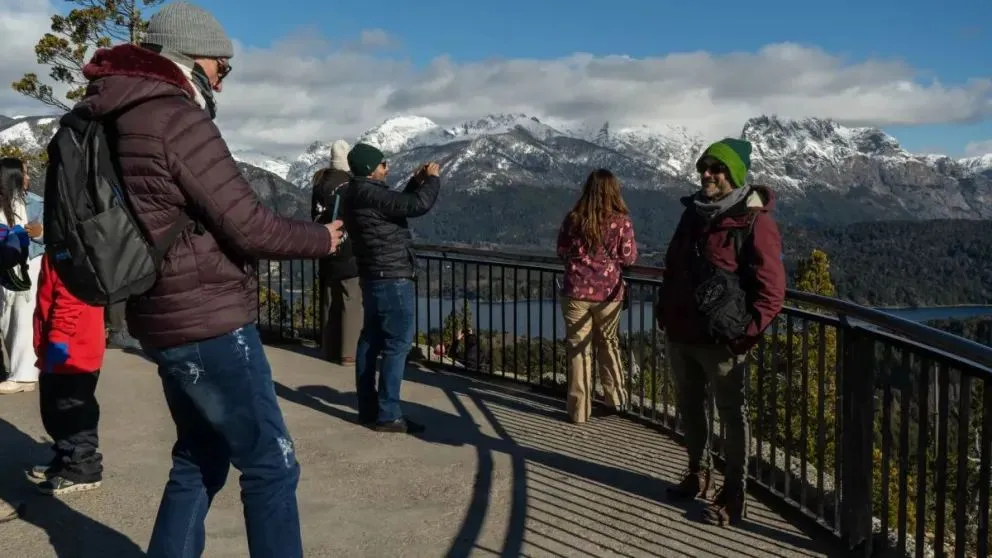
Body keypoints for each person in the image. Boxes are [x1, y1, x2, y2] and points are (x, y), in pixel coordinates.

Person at [71, 2, 343, 556]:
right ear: (193, 58)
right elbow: (250, 226)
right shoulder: (174, 116)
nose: (224, 79)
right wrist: (324, 239)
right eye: (224, 66)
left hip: (161, 314)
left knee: (199, 458)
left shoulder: (112, 112)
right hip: (209, 320)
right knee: (271, 465)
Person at [656, 138, 785, 526]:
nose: (707, 174)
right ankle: (698, 472)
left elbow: (772, 288)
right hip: (682, 334)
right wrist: (665, 312)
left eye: (717, 168)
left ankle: (734, 493)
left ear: (735, 174)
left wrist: (746, 334)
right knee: (690, 409)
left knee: (732, 417)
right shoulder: (692, 214)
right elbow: (673, 265)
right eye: (704, 167)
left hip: (724, 341)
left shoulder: (754, 222)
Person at [342, 144, 440, 433]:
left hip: (373, 276)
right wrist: (432, 179)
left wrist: (416, 182)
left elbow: (397, 202)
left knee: (370, 341)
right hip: (392, 277)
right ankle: (388, 414)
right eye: (383, 163)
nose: (387, 168)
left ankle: (369, 408)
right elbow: (416, 206)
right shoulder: (370, 192)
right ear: (371, 169)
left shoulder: (355, 193)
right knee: (397, 345)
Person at [556, 168, 637, 424]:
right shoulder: (621, 222)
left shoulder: (574, 219)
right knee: (609, 344)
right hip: (609, 294)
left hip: (575, 292)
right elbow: (629, 257)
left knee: (578, 350)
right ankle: (616, 400)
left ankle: (579, 410)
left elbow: (561, 250)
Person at [29, 252, 106, 495]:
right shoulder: (59, 246)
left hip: (72, 348)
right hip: (60, 346)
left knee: (72, 408)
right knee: (54, 407)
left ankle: (82, 465)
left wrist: (59, 340)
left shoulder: (70, 249)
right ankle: (66, 456)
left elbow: (71, 298)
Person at [312, 140, 362, 365]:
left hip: (324, 245)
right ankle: (349, 353)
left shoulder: (319, 182)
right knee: (351, 299)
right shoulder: (350, 184)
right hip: (349, 248)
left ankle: (329, 348)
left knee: (329, 300)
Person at [0, 157, 43, 395]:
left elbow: (52, 234)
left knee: (24, 317)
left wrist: (39, 233)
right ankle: (20, 371)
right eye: (24, 173)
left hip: (28, 265)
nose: (28, 178)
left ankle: (24, 375)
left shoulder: (35, 203)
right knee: (7, 318)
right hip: (4, 266)